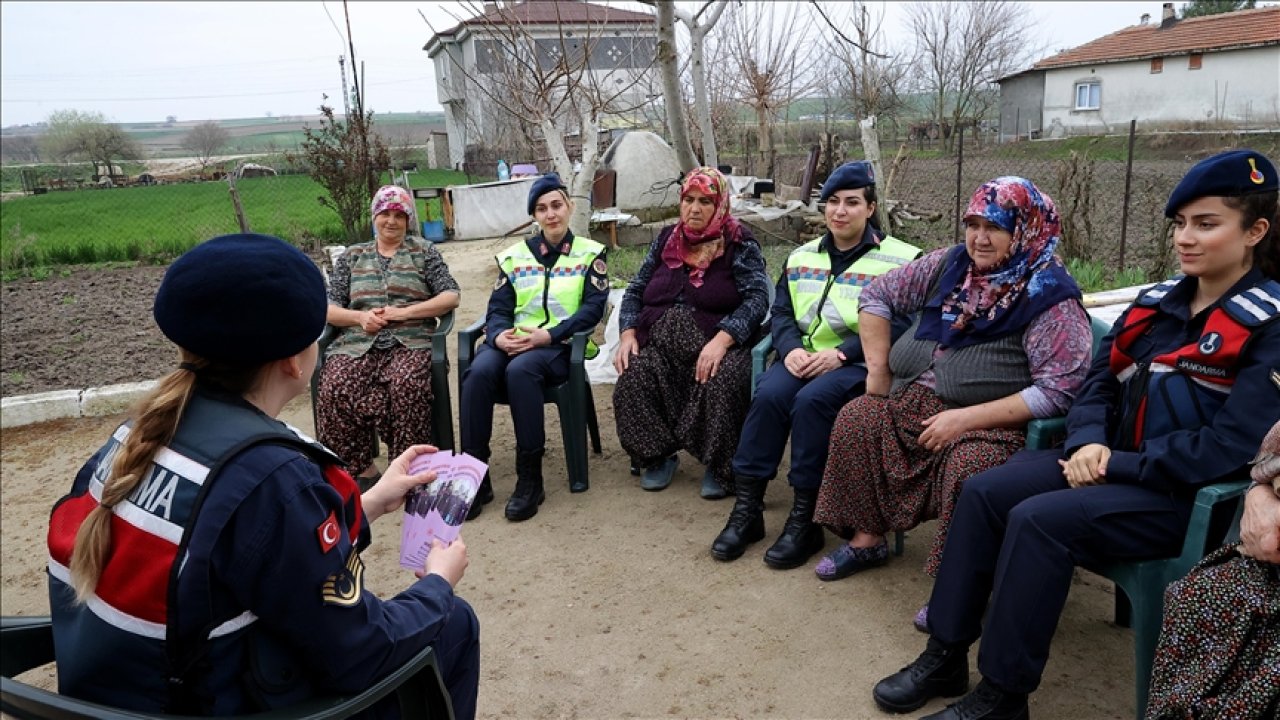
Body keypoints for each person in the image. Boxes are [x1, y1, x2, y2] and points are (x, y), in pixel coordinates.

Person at [872, 149, 1280, 720]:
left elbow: (1230, 447)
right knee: (985, 490)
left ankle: (1003, 696)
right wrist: (1089, 441)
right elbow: (1095, 385)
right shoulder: (1157, 305)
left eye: (1207, 224)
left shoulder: (1267, 324)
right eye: (1181, 224)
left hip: (1180, 496)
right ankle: (945, 652)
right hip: (1104, 461)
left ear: (1255, 231)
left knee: (1039, 521)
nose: (1186, 238)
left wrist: (1113, 464)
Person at [46, 234, 479, 719]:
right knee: (453, 622)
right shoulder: (277, 477)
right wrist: (439, 583)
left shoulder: (138, 433)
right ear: (295, 361)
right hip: (216, 703)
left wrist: (373, 498)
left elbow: (257, 543)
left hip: (128, 694)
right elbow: (361, 651)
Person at [811, 177, 1092, 605]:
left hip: (993, 424)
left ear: (1025, 230)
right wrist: (879, 376)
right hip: (914, 402)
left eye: (994, 227)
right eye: (972, 224)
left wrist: (963, 418)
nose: (979, 238)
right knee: (858, 417)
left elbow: (1059, 392)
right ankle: (868, 539)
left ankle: (958, 584)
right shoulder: (951, 264)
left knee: (970, 466)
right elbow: (876, 296)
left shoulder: (1051, 297)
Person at [710, 161, 922, 567]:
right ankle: (748, 511)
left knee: (811, 403)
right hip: (804, 356)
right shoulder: (801, 256)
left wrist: (843, 354)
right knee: (770, 395)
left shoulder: (901, 259)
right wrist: (788, 348)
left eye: (852, 203)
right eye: (833, 202)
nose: (840, 211)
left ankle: (805, 520)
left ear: (870, 208)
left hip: (860, 363)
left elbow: (908, 323)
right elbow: (783, 312)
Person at [612, 166, 771, 497]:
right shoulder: (667, 239)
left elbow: (757, 300)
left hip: (717, 343)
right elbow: (635, 290)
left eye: (705, 201)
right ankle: (657, 456)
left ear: (720, 205)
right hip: (661, 343)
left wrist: (723, 340)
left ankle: (720, 465)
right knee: (634, 374)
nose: (694, 209)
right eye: (688, 200)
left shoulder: (739, 243)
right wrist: (628, 332)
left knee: (724, 380)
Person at [459, 173, 608, 522]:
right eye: (541, 209)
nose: (550, 214)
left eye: (556, 205)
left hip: (558, 347)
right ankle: (475, 476)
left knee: (521, 370)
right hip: (514, 339)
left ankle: (530, 479)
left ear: (569, 207)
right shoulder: (514, 258)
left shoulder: (590, 254)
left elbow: (592, 308)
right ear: (534, 216)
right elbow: (497, 308)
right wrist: (496, 337)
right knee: (478, 372)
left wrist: (549, 336)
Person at [316, 184, 461, 488]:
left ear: (408, 220)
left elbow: (451, 295)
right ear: (375, 216)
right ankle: (361, 468)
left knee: (407, 383)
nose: (391, 221)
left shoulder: (423, 251)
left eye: (399, 214)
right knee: (333, 385)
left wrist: (404, 313)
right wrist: (359, 317)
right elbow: (328, 308)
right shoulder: (353, 256)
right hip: (357, 343)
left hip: (411, 340)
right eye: (385, 213)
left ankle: (406, 468)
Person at [1145, 419, 1280, 720]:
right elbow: (1263, 467)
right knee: (1197, 595)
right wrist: (1260, 495)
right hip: (1268, 566)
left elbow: (1226, 440)